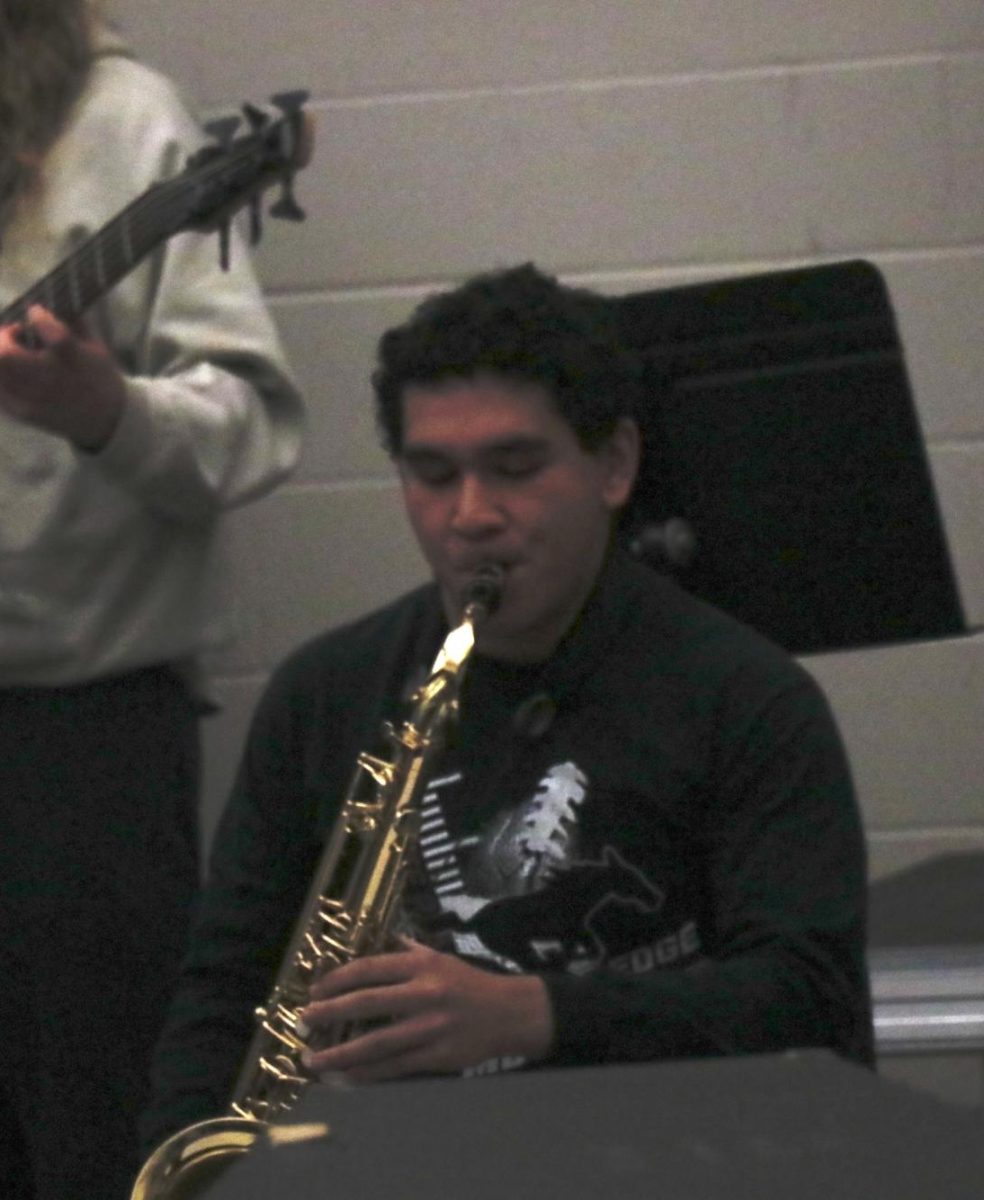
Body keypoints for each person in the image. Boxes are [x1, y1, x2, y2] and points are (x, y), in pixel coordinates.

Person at [141, 262, 873, 1158]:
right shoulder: (325, 693)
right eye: (433, 474)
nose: (470, 516)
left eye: (514, 468)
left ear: (615, 464)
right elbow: (225, 998)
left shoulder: (747, 697)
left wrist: (532, 1015)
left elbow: (808, 997)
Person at [0, 4, 304, 1198]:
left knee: (102, 1137)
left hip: (79, 745)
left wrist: (103, 410)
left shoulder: (128, 125)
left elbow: (249, 427)